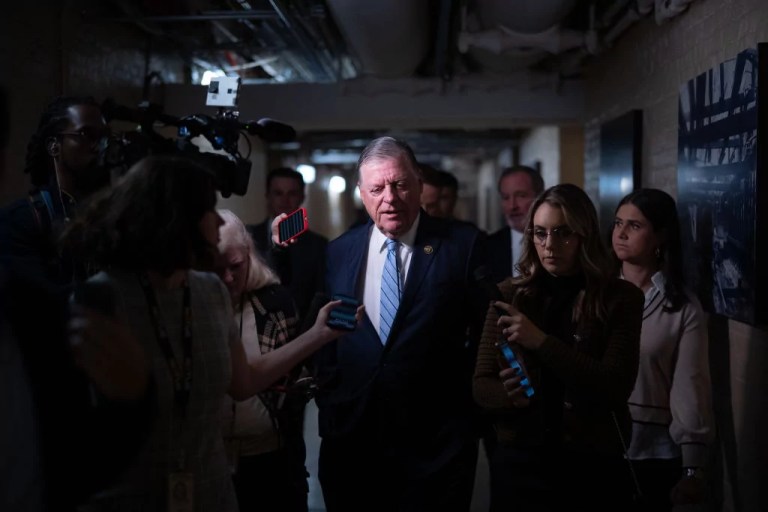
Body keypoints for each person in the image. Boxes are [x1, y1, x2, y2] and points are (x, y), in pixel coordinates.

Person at [62, 155, 362, 511]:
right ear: (175, 220)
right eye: (208, 209)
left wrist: (318, 335)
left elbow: (245, 382)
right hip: (134, 495)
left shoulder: (209, 292)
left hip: (211, 491)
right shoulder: (102, 298)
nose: (220, 220)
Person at [315, 136, 487, 511]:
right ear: (362, 193)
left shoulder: (463, 244)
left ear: (420, 184)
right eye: (376, 188)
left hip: (436, 445)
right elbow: (330, 338)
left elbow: (486, 334)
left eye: (400, 185)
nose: (389, 199)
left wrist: (466, 417)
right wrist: (330, 402)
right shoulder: (339, 251)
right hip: (354, 441)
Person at [0, 96, 153, 511]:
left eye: (103, 137)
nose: (98, 146)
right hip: (54, 403)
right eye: (86, 135)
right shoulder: (25, 220)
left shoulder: (111, 220)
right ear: (54, 145)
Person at [473, 183, 644, 511]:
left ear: (585, 235)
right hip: (520, 461)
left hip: (591, 463)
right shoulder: (509, 295)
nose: (550, 245)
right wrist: (510, 394)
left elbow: (614, 385)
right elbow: (481, 386)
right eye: (540, 233)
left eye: (563, 233)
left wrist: (540, 341)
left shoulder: (620, 298)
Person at [611, 188, 714, 511]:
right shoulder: (596, 296)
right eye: (617, 223)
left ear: (660, 236)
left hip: (654, 456)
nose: (621, 234)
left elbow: (690, 389)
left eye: (635, 226)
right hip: (595, 449)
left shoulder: (680, 307)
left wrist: (692, 469)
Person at [216, 209, 311, 512]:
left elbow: (296, 380)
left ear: (248, 254)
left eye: (235, 267)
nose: (228, 278)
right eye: (217, 269)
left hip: (271, 459)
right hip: (210, 461)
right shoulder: (187, 304)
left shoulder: (272, 301)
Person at [247, 167, 327, 320]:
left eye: (292, 193)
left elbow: (320, 296)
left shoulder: (319, 246)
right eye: (278, 193)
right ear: (267, 196)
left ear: (302, 197)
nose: (284, 200)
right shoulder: (249, 237)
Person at [486, 165, 544, 282]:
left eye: (521, 196)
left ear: (540, 197)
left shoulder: (556, 242)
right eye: (506, 198)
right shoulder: (486, 247)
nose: (512, 206)